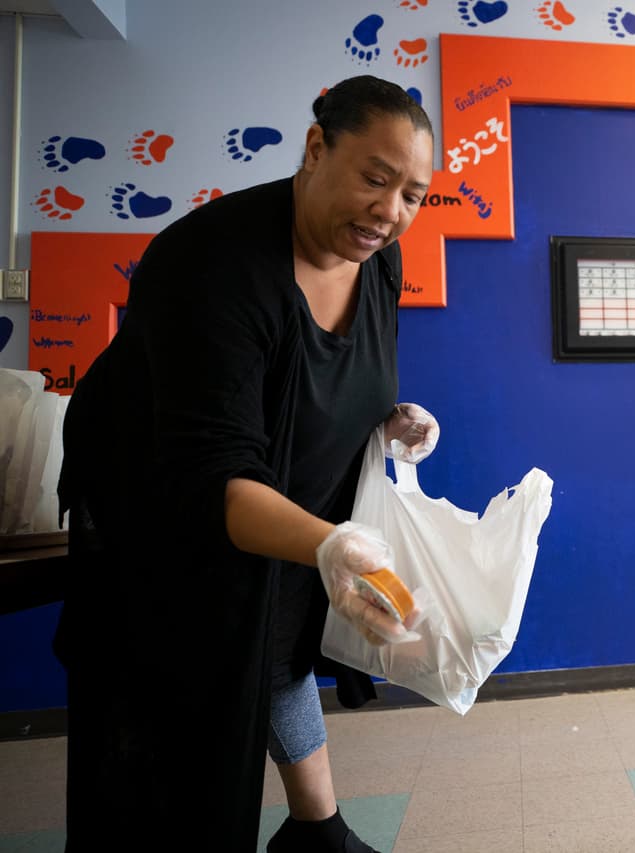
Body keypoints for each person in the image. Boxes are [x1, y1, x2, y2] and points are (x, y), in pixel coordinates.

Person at [54, 75, 439, 852]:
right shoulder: (210, 264)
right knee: (168, 754)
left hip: (278, 513)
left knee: (278, 650)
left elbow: (326, 383)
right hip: (160, 524)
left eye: (413, 194)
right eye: (375, 178)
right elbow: (211, 470)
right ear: (314, 147)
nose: (390, 211)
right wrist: (330, 543)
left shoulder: (379, 263)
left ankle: (316, 830)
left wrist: (388, 424)